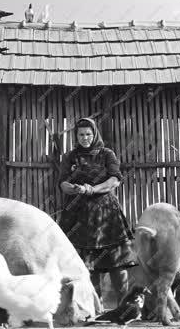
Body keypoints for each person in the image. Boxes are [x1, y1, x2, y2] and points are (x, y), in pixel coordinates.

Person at [58, 117, 136, 307]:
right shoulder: (70, 157)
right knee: (87, 265)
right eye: (81, 135)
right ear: (76, 136)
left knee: (117, 262)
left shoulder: (107, 154)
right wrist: (73, 188)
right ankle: (94, 306)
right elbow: (62, 183)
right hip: (79, 216)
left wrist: (92, 189)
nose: (85, 138)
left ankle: (123, 306)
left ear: (94, 135)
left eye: (88, 134)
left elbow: (114, 180)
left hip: (107, 215)